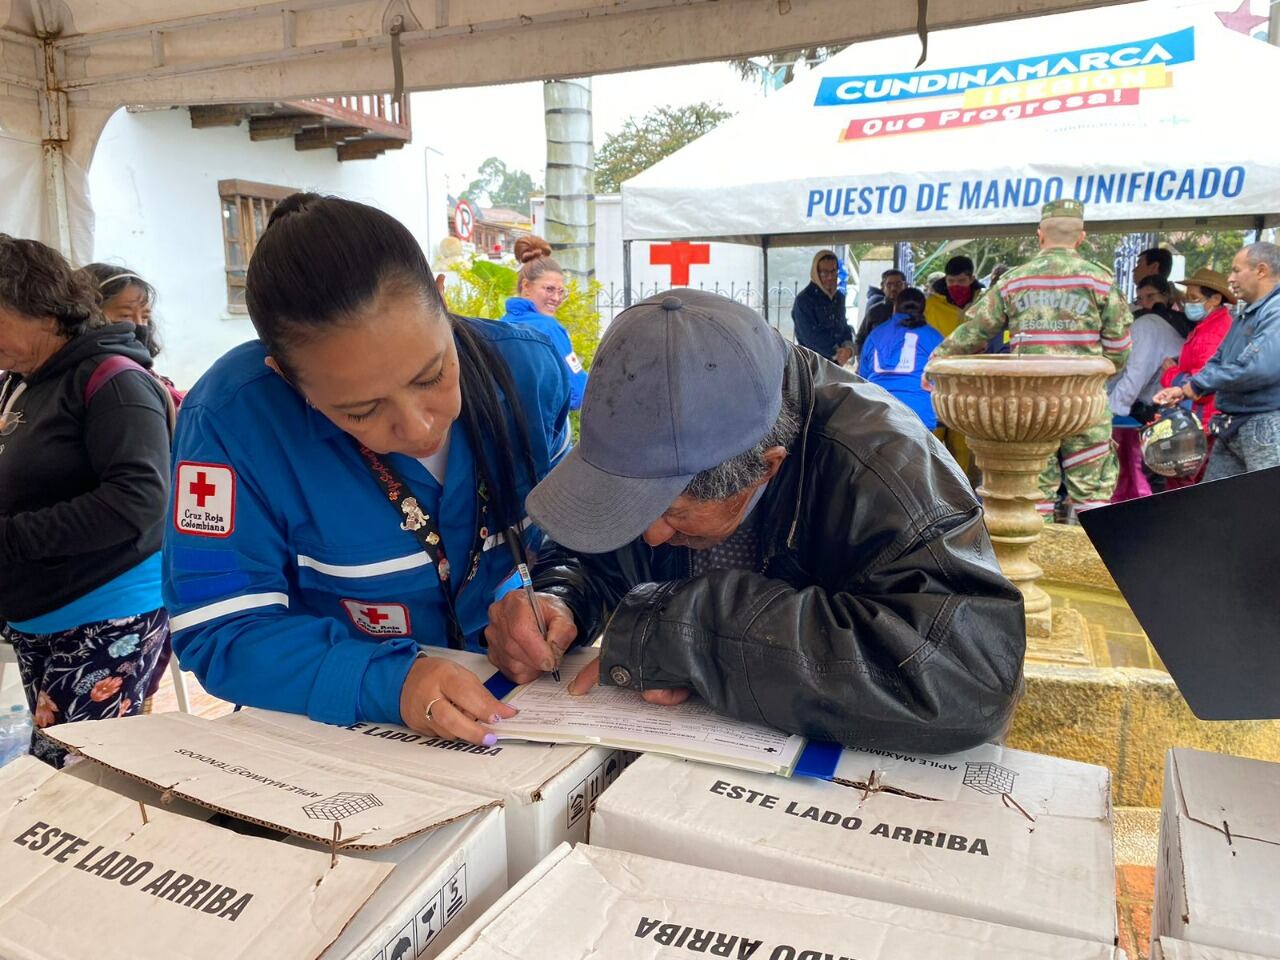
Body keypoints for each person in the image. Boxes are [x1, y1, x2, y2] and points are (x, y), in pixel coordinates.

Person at [484, 288, 1025, 753]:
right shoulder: (671, 403)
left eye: (672, 512)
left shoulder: (889, 467)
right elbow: (597, 542)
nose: (649, 534)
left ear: (766, 469)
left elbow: (968, 680)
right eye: (632, 505)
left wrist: (690, 634)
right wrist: (560, 594)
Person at [163, 195, 572, 744]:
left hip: (518, 719)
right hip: (336, 740)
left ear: (442, 298)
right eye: (361, 410)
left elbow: (561, 537)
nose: (418, 426)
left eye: (432, 376)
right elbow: (221, 628)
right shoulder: (232, 423)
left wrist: (548, 598)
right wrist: (384, 681)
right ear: (284, 375)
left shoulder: (525, 371)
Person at [0, 235, 171, 767]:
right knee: (54, 767)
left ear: (44, 312)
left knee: (78, 776)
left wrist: (10, 538)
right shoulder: (21, 383)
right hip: (40, 611)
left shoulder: (114, 381)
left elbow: (138, 499)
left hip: (105, 613)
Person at [932, 200, 1133, 521]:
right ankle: (1094, 564)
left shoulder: (1015, 280)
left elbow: (976, 331)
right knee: (1093, 496)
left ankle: (1032, 564)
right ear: (1081, 237)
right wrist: (1095, 374)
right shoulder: (1101, 281)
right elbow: (1119, 349)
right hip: (1085, 402)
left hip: (1031, 409)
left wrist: (937, 359)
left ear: (1040, 235)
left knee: (1032, 495)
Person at [1154, 243, 1280, 481]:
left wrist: (1195, 385)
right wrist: (1185, 389)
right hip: (1233, 422)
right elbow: (1219, 359)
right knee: (1218, 505)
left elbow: (1257, 368)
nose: (1230, 278)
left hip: (1263, 423)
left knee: (1267, 505)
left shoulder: (1276, 311)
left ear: (1261, 270)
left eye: (1236, 270)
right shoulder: (1249, 313)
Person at [1107, 276, 1186, 501]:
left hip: (1162, 409)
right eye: (1140, 298)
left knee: (1153, 480)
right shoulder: (1150, 325)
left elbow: (1134, 376)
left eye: (1150, 297)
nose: (1143, 302)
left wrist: (1108, 411)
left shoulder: (1147, 325)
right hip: (1161, 405)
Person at [499, 235, 588, 410]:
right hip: (544, 431)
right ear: (526, 287)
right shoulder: (549, 329)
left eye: (561, 292)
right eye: (549, 289)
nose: (556, 298)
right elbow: (577, 393)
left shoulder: (500, 325)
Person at [859, 288, 943, 429]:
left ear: (894, 308)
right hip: (919, 416)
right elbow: (942, 379)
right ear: (923, 310)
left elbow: (863, 377)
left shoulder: (875, 335)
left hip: (878, 411)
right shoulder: (933, 337)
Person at [792, 250, 853, 365]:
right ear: (816, 273)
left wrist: (848, 348)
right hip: (812, 366)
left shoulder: (838, 298)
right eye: (825, 273)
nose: (830, 277)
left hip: (836, 364)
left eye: (833, 272)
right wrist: (836, 352)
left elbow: (843, 327)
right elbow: (810, 337)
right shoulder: (804, 300)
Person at [852, 268, 907, 366]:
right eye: (889, 285)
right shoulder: (874, 311)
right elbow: (861, 339)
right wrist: (863, 363)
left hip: (906, 367)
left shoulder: (912, 311)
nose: (893, 288)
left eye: (898, 284)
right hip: (876, 368)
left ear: (905, 286)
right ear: (882, 287)